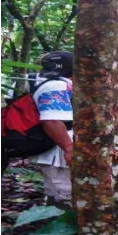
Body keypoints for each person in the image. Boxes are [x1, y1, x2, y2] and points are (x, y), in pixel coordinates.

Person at [28, 51, 75, 209]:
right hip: (58, 150)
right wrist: (68, 148)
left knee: (58, 191)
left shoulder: (52, 83)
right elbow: (52, 120)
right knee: (63, 193)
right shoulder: (56, 86)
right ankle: (63, 230)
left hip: (56, 147)